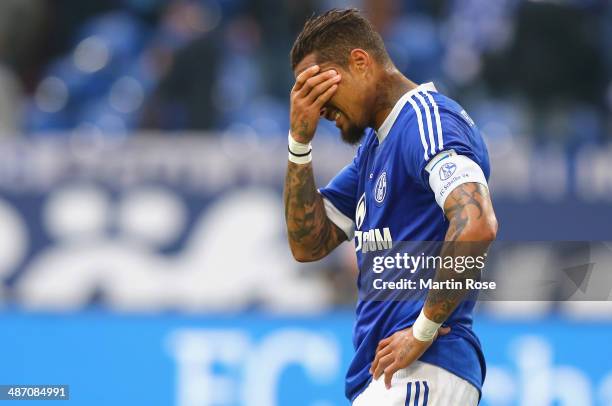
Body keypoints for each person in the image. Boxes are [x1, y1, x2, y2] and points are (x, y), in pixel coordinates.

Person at [283, 8, 498, 406]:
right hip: (390, 376)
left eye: (319, 89)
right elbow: (307, 243)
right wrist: (299, 142)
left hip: (423, 370)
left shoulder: (427, 121)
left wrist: (421, 332)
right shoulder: (375, 149)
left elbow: (477, 224)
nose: (319, 109)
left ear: (360, 62)